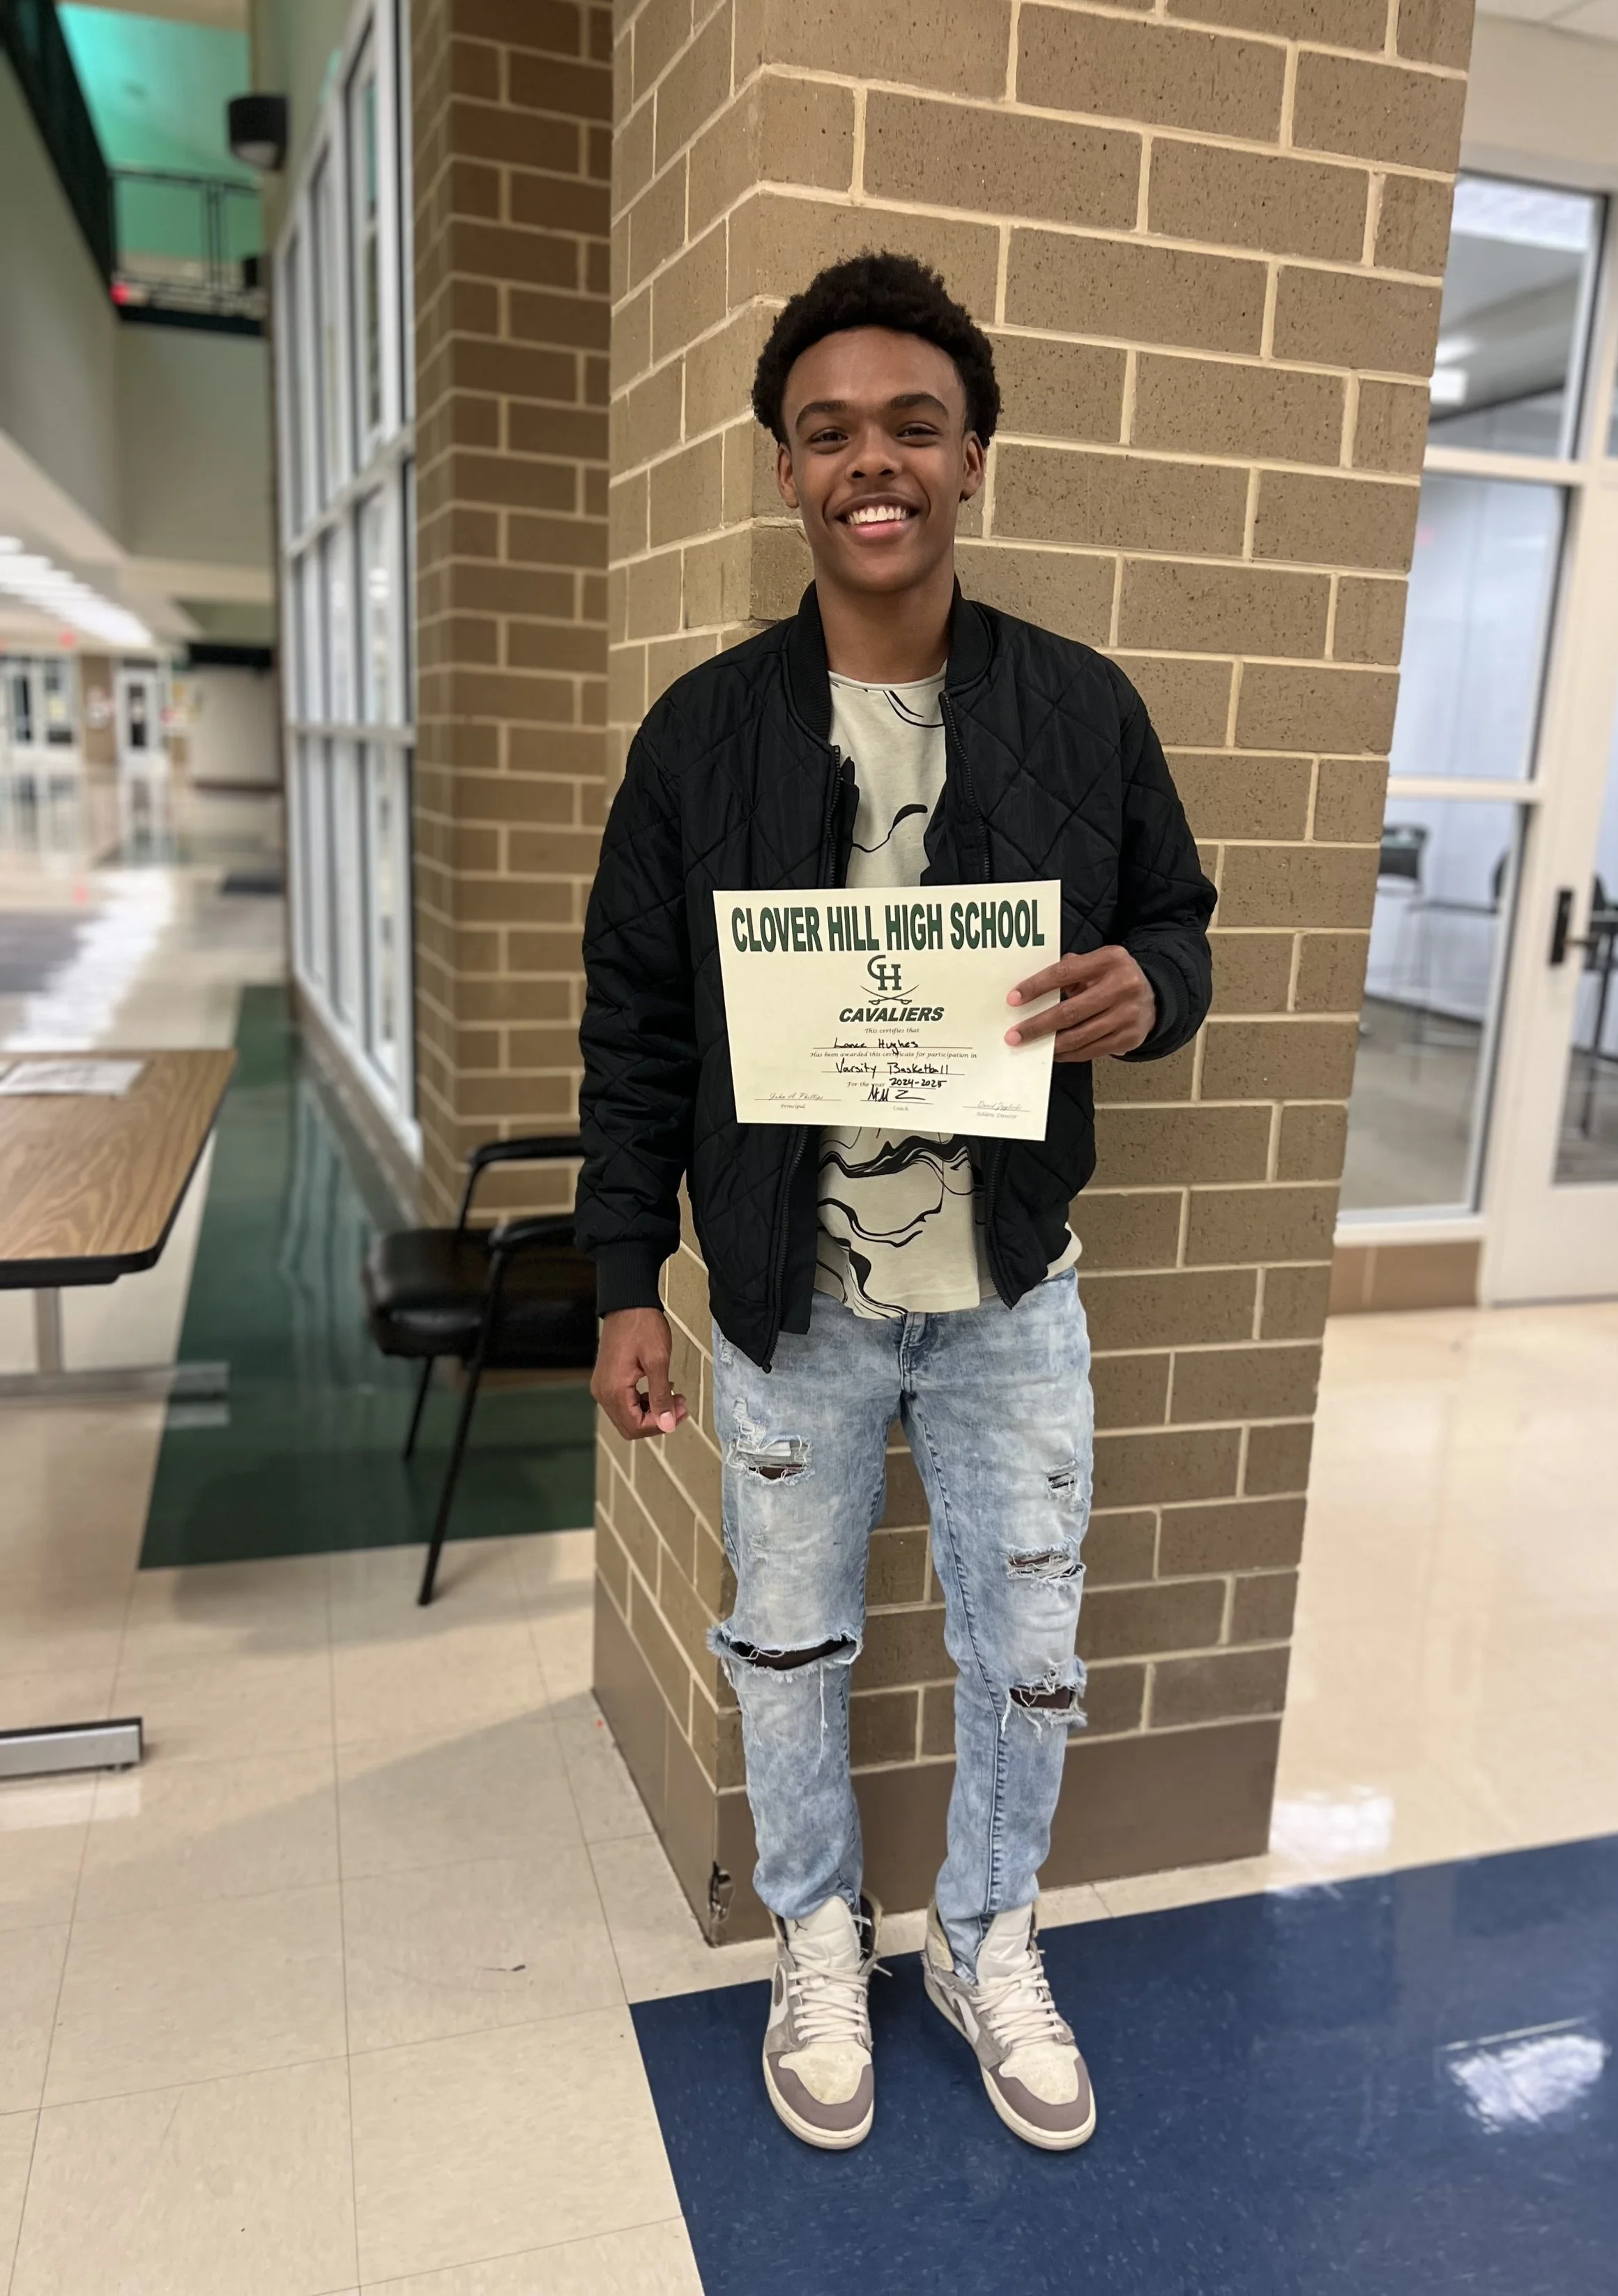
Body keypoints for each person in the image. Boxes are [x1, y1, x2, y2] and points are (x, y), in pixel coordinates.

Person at [577, 252, 1214, 2153]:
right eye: (829, 430)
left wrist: (1147, 992)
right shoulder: (701, 735)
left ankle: (986, 1933)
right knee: (786, 1645)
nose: (875, 462)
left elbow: (1174, 922)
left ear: (973, 459)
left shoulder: (1081, 710)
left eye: (913, 426)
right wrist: (628, 1275)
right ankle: (812, 1934)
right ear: (783, 469)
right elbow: (631, 1025)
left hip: (1010, 1286)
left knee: (1026, 1643)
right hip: (789, 1297)